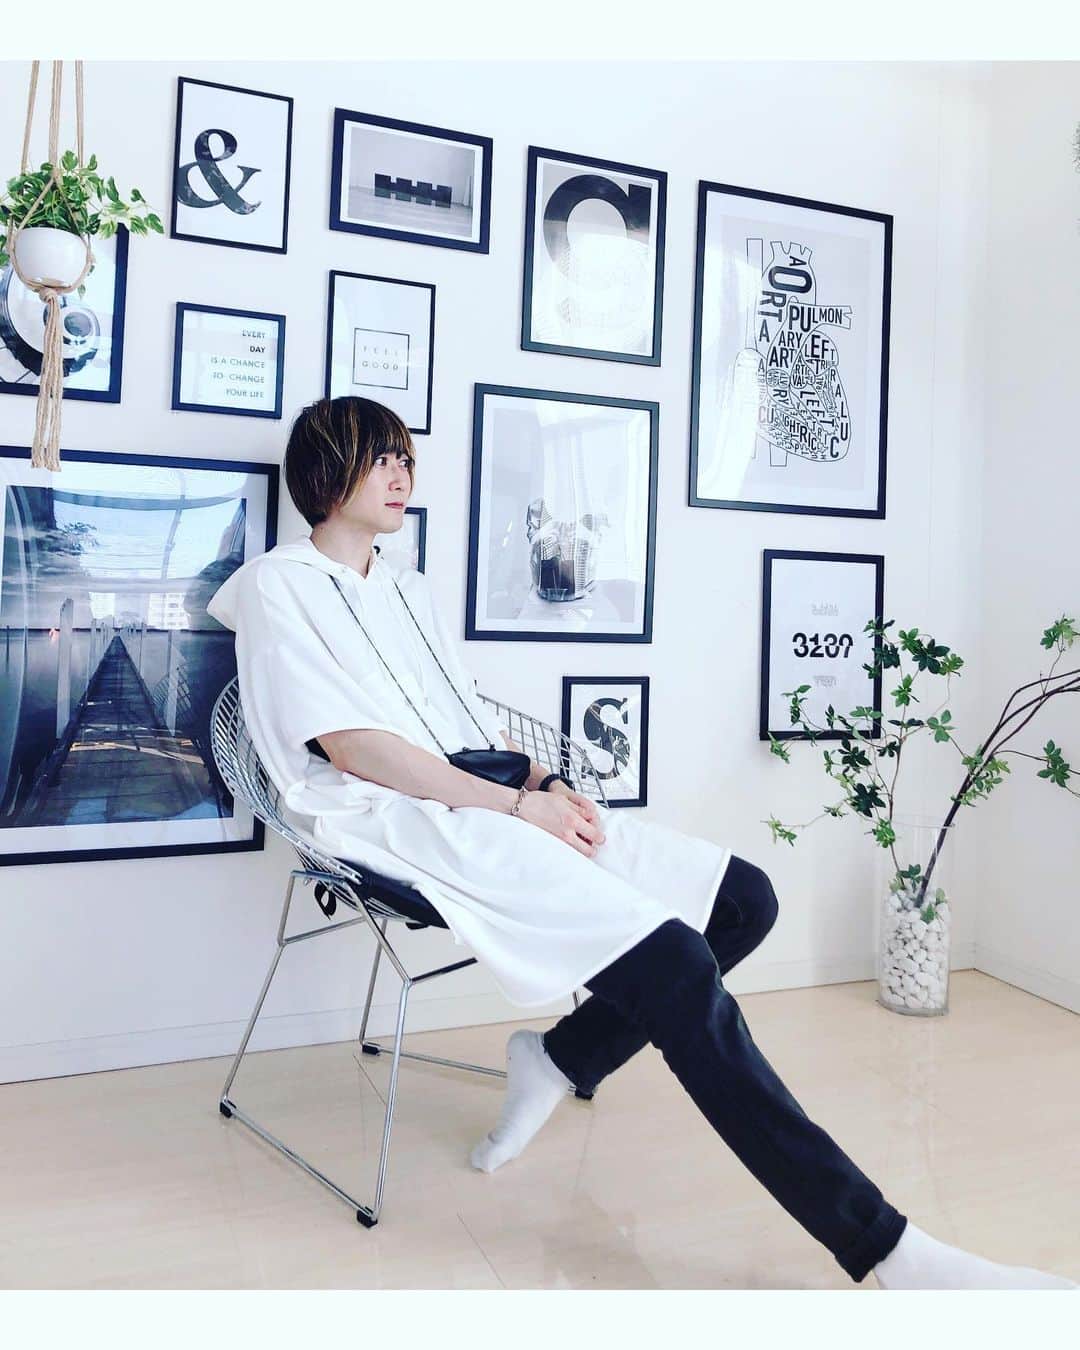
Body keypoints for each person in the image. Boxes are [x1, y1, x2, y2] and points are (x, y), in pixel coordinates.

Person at [207, 395, 1076, 1292]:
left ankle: (561, 1058)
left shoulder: (406, 586)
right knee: (677, 972)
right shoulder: (278, 585)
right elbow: (353, 747)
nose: (402, 473)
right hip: (394, 820)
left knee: (744, 903)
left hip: (491, 796)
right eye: (381, 456)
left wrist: (544, 783)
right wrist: (514, 809)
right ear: (326, 469)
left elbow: (461, 713)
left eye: (405, 458)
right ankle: (890, 1250)